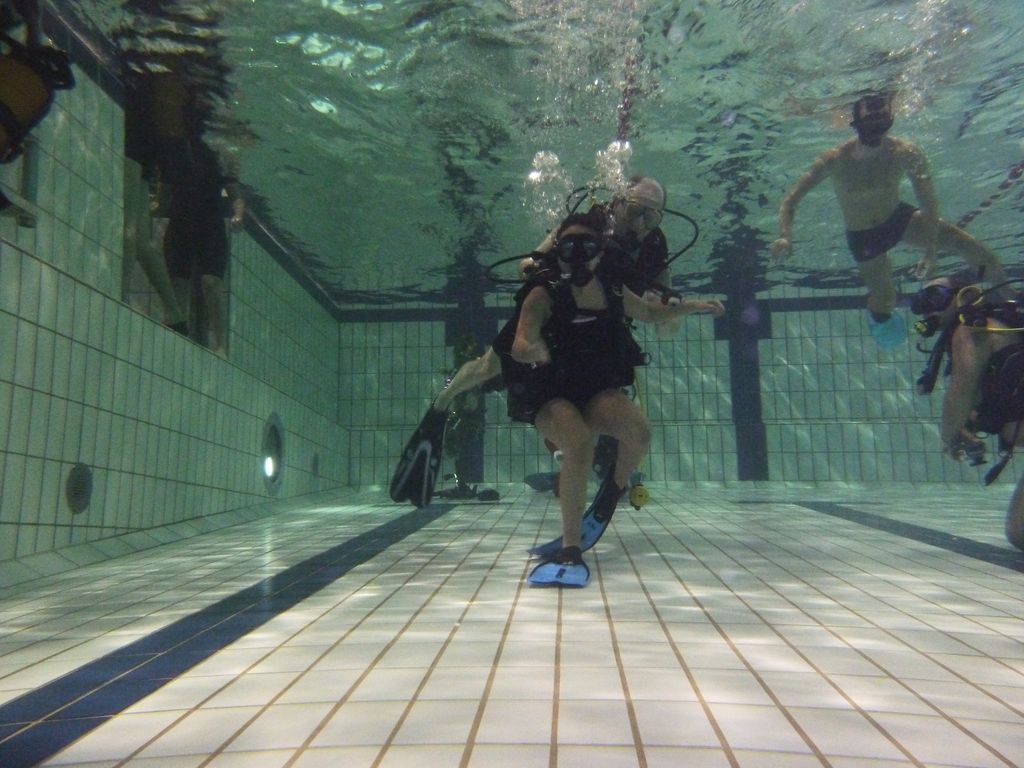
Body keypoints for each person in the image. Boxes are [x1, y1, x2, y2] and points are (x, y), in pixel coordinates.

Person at [389, 176, 680, 509]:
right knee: (488, 366)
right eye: (635, 210)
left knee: (601, 395)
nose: (641, 223)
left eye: (651, 216)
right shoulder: (590, 221)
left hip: (600, 327)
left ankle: (591, 465)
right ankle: (443, 399)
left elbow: (667, 317)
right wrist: (536, 270)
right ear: (617, 202)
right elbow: (526, 265)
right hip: (553, 314)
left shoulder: (655, 245)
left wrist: (667, 314)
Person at [496, 210, 724, 586]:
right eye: (568, 247)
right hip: (550, 395)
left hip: (595, 392)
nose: (577, 256)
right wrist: (533, 350)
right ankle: (571, 549)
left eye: (586, 247)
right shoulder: (543, 292)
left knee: (639, 433)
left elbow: (648, 311)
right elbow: (519, 342)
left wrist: (693, 306)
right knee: (579, 444)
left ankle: (613, 489)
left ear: (600, 251)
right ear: (558, 251)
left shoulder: (612, 288)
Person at [771, 92, 1009, 349]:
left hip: (899, 219)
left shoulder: (906, 152)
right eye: (871, 117)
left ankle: (1011, 299)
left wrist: (931, 250)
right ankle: (875, 315)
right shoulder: (835, 159)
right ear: (855, 122)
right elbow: (790, 201)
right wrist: (785, 236)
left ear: (891, 117)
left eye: (882, 118)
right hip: (864, 237)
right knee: (886, 301)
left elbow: (928, 202)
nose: (877, 126)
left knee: (975, 250)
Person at [909, 276, 1024, 550]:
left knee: (1020, 531)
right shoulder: (998, 327)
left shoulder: (970, 329)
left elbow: (960, 391)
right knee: (1019, 531)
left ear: (966, 296)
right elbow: (997, 394)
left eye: (935, 297)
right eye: (921, 302)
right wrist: (971, 422)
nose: (929, 308)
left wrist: (948, 437)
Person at [162, 137, 244, 357]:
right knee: (179, 282)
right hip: (180, 222)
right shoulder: (178, 149)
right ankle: (177, 334)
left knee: (211, 283)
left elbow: (234, 192)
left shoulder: (217, 154)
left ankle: (221, 344)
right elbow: (165, 186)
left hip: (210, 224)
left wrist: (238, 214)